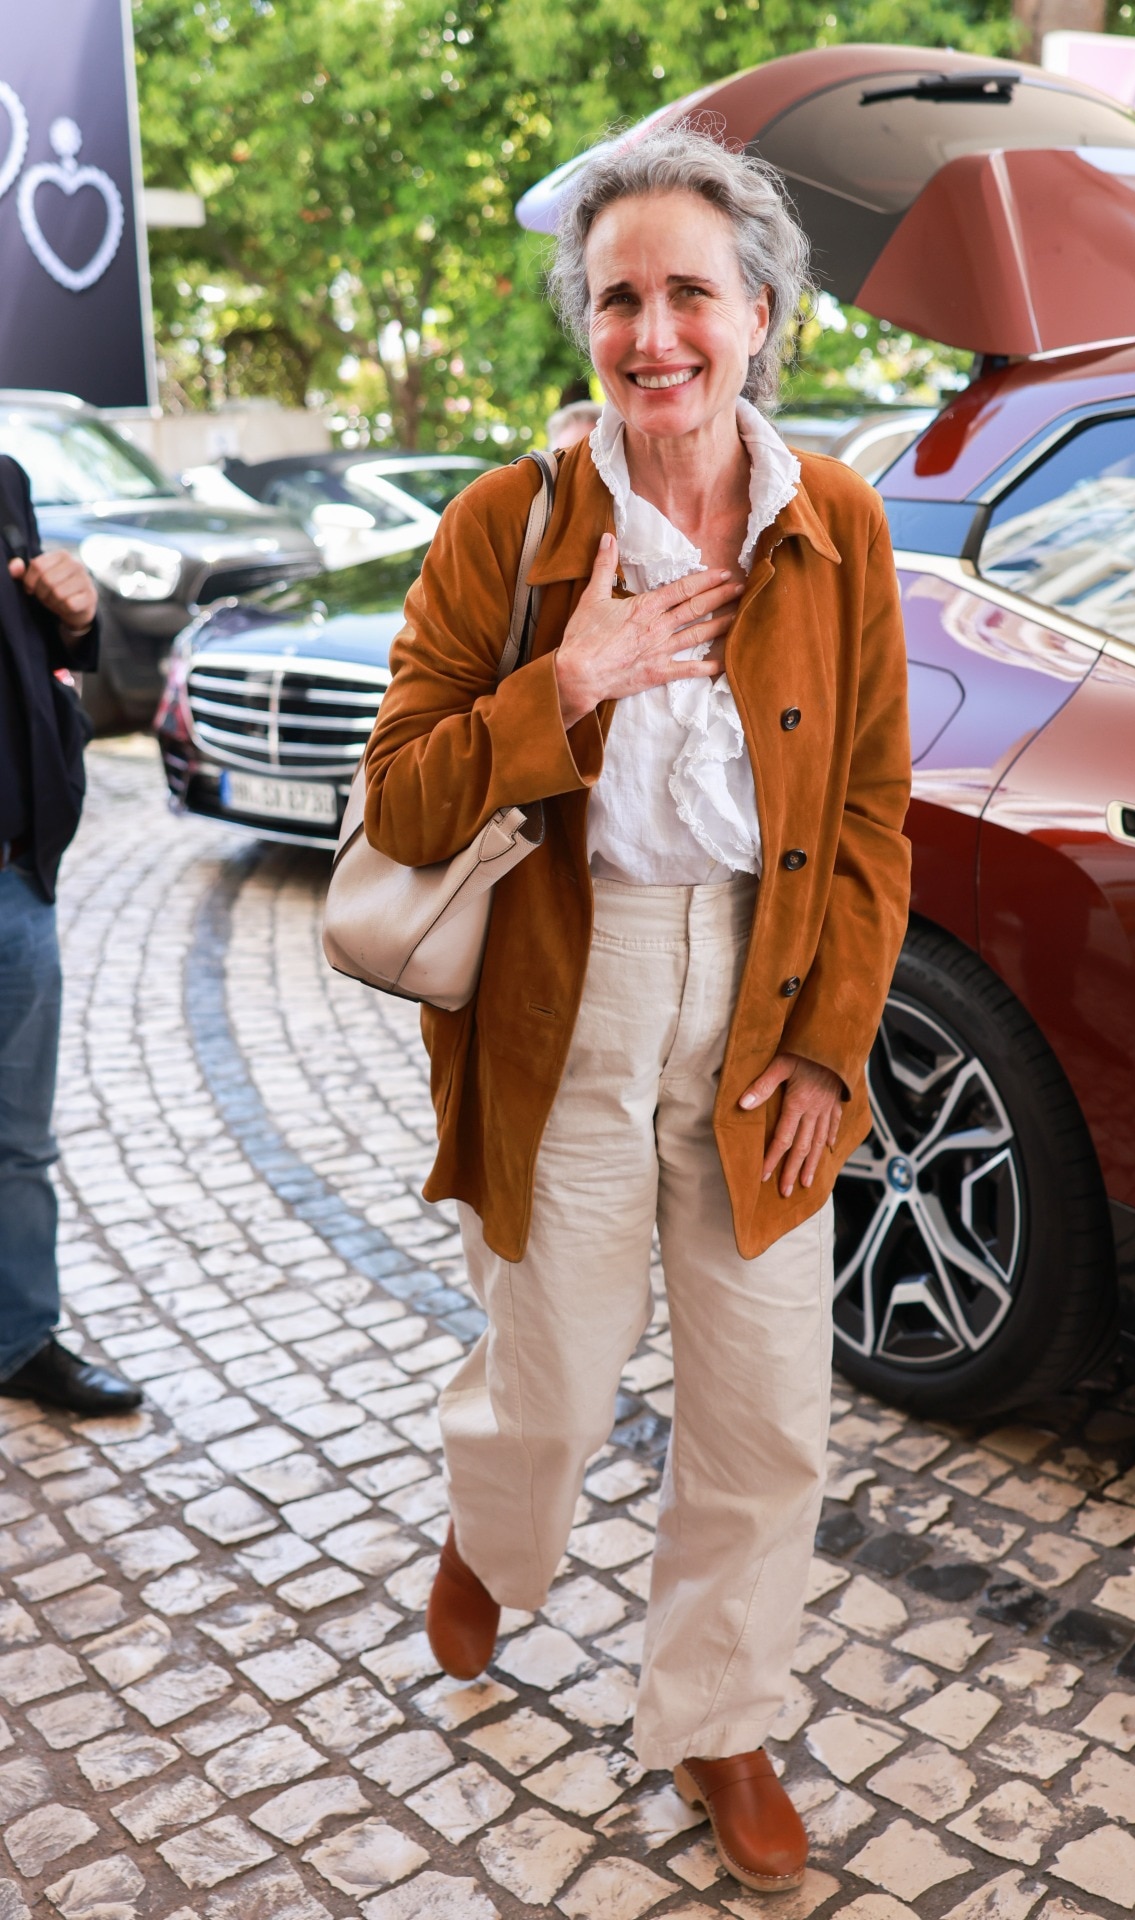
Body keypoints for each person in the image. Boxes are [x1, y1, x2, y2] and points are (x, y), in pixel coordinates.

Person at [363, 127, 911, 1892]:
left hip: (759, 1008)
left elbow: (876, 813)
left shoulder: (835, 524)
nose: (653, 329)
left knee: (767, 1417)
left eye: (691, 292)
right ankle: (491, 1538)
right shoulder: (507, 527)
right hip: (567, 1006)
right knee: (552, 1390)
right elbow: (404, 799)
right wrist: (570, 678)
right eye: (619, 296)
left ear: (762, 314)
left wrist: (834, 1043)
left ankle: (718, 1723)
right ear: (584, 324)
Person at [0, 455, 143, 1416]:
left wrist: (79, 614)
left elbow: (38, 650)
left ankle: (18, 1340)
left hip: (14, 879)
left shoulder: (4, 480)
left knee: (18, 1142)